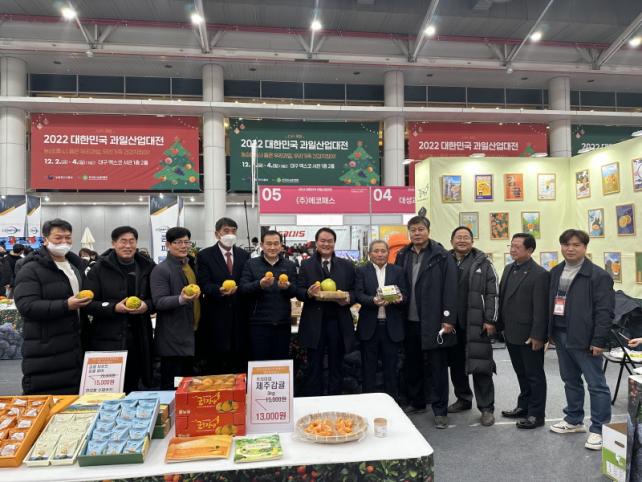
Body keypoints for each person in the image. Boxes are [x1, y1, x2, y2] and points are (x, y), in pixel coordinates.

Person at [548, 229, 614, 451]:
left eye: (576, 245)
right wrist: (549, 332)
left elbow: (605, 312)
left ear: (585, 247)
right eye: (566, 244)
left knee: (596, 385)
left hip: (585, 338)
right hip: (560, 333)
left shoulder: (598, 276)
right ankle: (574, 419)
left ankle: (600, 429)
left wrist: (599, 340)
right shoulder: (556, 272)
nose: (570, 249)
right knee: (570, 380)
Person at [14, 219, 90, 394]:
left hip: (74, 343)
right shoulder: (30, 269)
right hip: (45, 347)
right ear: (45, 239)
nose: (64, 242)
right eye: (58, 238)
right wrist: (66, 305)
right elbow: (27, 306)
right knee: (48, 398)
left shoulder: (75, 267)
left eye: (68, 237)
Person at [395, 216, 457, 429]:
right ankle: (417, 402)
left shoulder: (441, 255)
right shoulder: (403, 255)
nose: (417, 233)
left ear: (428, 231)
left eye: (420, 229)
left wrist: (448, 318)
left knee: (437, 367)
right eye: (413, 230)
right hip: (409, 320)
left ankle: (440, 411)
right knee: (412, 364)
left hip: (434, 321)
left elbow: (451, 288)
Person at [83, 226, 155, 393]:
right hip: (108, 338)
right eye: (123, 241)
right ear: (113, 243)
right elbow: (88, 304)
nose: (128, 246)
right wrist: (113, 307)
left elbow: (156, 298)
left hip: (140, 336)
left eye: (132, 241)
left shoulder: (147, 266)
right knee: (112, 389)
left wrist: (147, 305)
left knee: (137, 384)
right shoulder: (99, 268)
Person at [446, 226, 498, 427]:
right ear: (452, 241)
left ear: (472, 241)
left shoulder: (484, 262)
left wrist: (490, 319)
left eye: (466, 237)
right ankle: (463, 399)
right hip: (452, 323)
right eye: (458, 237)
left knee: (481, 365)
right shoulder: (445, 260)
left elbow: (493, 293)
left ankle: (486, 408)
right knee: (456, 364)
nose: (462, 240)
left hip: (477, 323)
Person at [296, 227, 356, 396]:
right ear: (316, 243)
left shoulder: (346, 265)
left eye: (330, 241)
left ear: (334, 243)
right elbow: (298, 290)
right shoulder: (306, 265)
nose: (326, 244)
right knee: (314, 365)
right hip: (314, 323)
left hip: (338, 322)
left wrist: (348, 297)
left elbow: (355, 291)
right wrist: (308, 293)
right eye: (322, 241)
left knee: (337, 364)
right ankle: (315, 399)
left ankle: (335, 398)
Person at [498, 233, 549, 429]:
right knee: (521, 373)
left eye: (517, 247)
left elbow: (541, 309)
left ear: (530, 250)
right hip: (511, 332)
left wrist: (538, 335)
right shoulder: (509, 268)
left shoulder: (539, 274)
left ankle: (536, 414)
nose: (512, 250)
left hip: (529, 335)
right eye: (511, 246)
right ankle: (524, 406)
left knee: (534, 375)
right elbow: (504, 299)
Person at [354, 240, 407, 401]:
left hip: (391, 327)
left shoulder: (397, 271)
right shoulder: (362, 271)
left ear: (388, 253)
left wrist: (400, 299)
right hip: (370, 327)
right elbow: (358, 294)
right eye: (376, 251)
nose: (380, 254)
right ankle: (369, 402)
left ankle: (392, 402)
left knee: (391, 369)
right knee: (368, 369)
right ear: (370, 254)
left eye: (383, 251)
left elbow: (405, 295)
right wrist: (373, 300)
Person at [196, 217, 249, 374]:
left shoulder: (244, 255)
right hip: (215, 314)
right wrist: (218, 290)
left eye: (233, 231)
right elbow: (203, 283)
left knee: (238, 361)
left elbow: (246, 280)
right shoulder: (205, 255)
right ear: (217, 234)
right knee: (216, 361)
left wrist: (241, 288)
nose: (230, 234)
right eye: (226, 231)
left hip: (239, 315)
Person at [151, 227, 200, 389]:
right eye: (178, 242)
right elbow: (159, 302)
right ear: (168, 245)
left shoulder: (189, 265)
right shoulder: (161, 270)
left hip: (191, 334)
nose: (183, 246)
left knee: (189, 386)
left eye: (186, 242)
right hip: (173, 338)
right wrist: (181, 299)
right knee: (173, 386)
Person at [240, 230, 298, 360]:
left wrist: (288, 287)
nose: (272, 247)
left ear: (281, 245)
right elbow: (243, 288)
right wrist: (259, 284)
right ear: (262, 245)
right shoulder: (251, 264)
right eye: (269, 243)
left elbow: (296, 291)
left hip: (282, 323)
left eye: (276, 243)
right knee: (259, 361)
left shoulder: (290, 265)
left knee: (281, 361)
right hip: (258, 323)